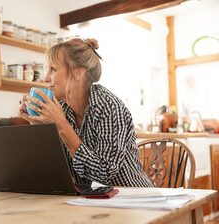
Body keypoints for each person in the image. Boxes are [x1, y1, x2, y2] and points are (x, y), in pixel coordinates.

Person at [18, 38, 153, 187]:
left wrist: (62, 126)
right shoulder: (61, 108)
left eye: (53, 69)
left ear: (78, 73)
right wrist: (37, 125)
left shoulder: (108, 106)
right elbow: (51, 169)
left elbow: (103, 175)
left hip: (132, 198)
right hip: (90, 200)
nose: (45, 78)